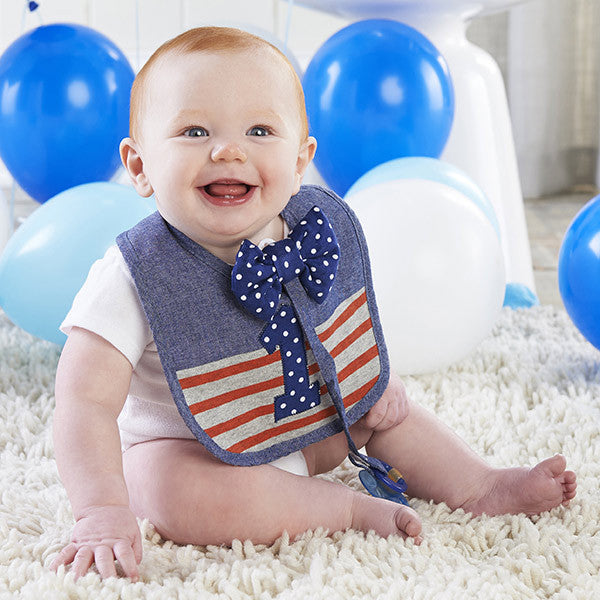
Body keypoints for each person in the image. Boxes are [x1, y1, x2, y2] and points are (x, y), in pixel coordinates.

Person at [50, 26, 577, 582]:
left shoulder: (312, 232)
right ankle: (342, 509)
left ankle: (479, 483)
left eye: (259, 130)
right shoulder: (135, 275)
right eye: (194, 130)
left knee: (387, 412)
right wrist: (102, 511)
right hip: (194, 451)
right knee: (160, 485)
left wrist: (366, 380)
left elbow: (335, 326)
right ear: (139, 167)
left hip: (310, 425)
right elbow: (83, 403)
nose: (228, 149)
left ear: (300, 161)